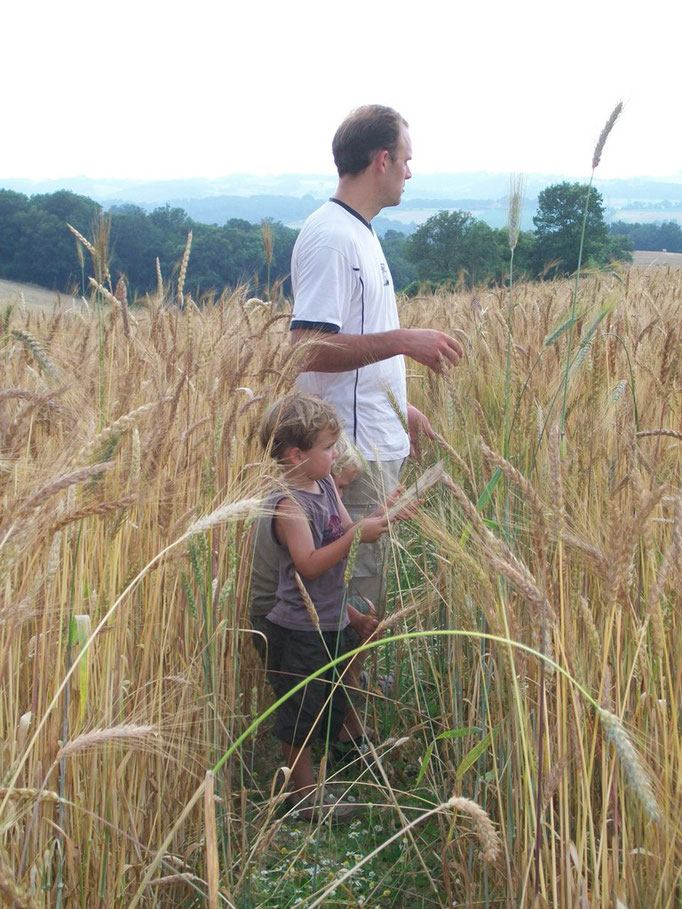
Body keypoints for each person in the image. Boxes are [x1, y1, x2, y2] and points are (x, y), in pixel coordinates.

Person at [290, 104, 464, 612]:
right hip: (348, 455)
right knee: (350, 591)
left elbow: (352, 344)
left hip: (368, 439)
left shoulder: (359, 232)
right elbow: (307, 346)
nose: (411, 172)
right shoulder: (333, 238)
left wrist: (398, 405)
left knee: (365, 585)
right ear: (382, 160)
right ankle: (344, 689)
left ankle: (354, 685)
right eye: (407, 160)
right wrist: (404, 340)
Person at [258, 393, 405, 821]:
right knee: (300, 715)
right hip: (300, 629)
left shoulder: (322, 484)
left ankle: (323, 776)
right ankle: (303, 799)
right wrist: (360, 536)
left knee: (333, 701)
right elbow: (309, 564)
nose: (336, 453)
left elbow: (344, 529)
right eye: (327, 447)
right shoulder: (288, 504)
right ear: (295, 454)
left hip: (332, 620)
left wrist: (383, 515)